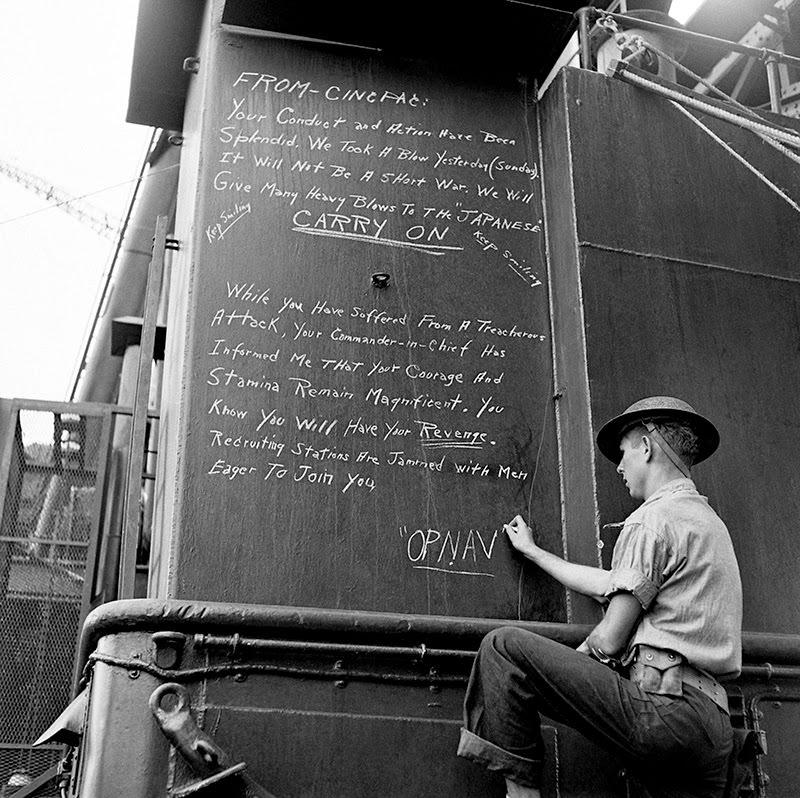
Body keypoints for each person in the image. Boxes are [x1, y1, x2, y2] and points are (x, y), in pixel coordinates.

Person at [457, 396, 743, 798]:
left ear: (646, 445)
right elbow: (614, 583)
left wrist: (561, 672)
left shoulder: (651, 520)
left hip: (665, 712)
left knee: (503, 649)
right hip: (714, 729)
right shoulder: (708, 525)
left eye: (624, 452)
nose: (619, 466)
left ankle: (521, 794)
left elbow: (610, 638)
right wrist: (535, 553)